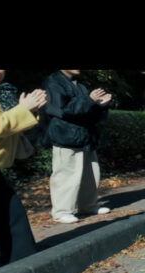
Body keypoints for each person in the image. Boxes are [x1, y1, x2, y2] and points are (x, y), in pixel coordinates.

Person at [0, 70, 46, 264]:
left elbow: (13, 125)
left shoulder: (3, 93)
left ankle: (24, 262)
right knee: (5, 214)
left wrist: (30, 110)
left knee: (11, 215)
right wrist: (24, 109)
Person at [43, 70, 113, 224]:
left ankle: (87, 206)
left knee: (90, 175)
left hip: (85, 137)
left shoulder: (80, 84)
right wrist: (89, 99)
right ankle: (62, 211)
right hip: (66, 137)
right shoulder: (53, 82)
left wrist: (101, 105)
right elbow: (62, 111)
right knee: (66, 175)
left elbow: (87, 112)